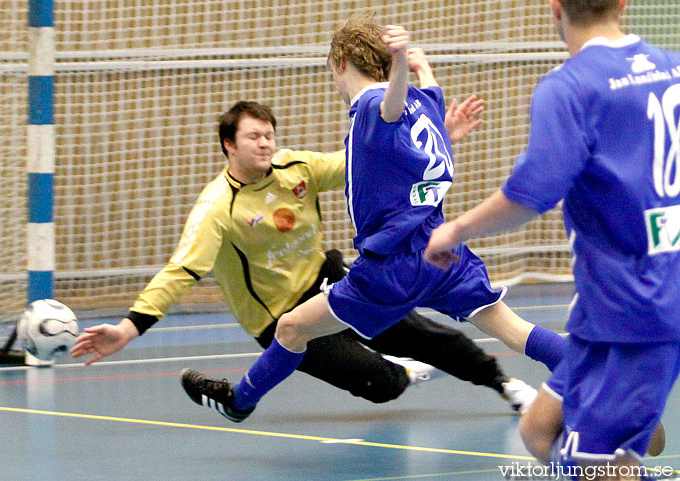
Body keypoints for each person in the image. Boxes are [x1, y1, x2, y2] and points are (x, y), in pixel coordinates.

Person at [172, 13, 566, 424]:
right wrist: (421, 65)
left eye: (332, 74)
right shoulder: (427, 101)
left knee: (290, 328)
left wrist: (399, 62)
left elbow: (389, 106)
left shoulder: (374, 105)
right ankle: (597, 378)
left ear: (342, 63)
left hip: (391, 266)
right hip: (444, 253)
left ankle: (240, 401)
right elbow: (421, 100)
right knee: (516, 331)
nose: (336, 84)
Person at [69, 96, 538, 411]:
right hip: (277, 316)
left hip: (328, 278)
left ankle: (507, 386)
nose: (266, 142)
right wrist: (128, 328)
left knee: (431, 337)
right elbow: (181, 271)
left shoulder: (297, 167)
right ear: (229, 145)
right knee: (383, 385)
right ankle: (401, 372)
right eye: (254, 136)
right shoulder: (218, 207)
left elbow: (364, 164)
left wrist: (440, 140)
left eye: (269, 134)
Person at [425, 0, 680, 478]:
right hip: (607, 309)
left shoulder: (569, 87)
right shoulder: (672, 68)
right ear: (623, 4)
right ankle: (627, 442)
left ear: (555, 10)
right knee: (539, 430)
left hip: (637, 309)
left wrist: (455, 230)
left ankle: (625, 446)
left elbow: (530, 194)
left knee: (595, 465)